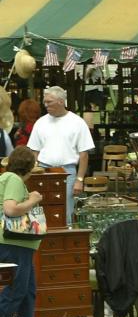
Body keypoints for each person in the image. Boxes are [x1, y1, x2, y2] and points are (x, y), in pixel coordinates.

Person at [27, 86, 94, 226]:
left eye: (49, 102)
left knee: (65, 211)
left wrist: (79, 179)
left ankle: (65, 243)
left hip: (67, 172)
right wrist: (32, 172)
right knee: (40, 210)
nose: (45, 105)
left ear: (61, 101)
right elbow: (34, 152)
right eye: (45, 102)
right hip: (43, 171)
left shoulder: (77, 122)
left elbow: (84, 154)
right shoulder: (41, 122)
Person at [0, 147, 44, 317]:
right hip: (14, 243)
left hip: (19, 246)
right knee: (15, 289)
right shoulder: (14, 180)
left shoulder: (5, 178)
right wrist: (33, 200)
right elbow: (10, 209)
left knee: (27, 290)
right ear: (30, 166)